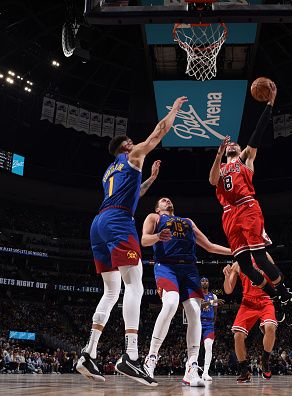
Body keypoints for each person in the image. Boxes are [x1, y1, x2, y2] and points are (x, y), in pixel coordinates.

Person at [77, 96, 187, 387]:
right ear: (126, 146)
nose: (136, 142)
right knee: (135, 284)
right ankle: (131, 356)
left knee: (111, 291)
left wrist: (149, 179)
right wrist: (175, 110)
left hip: (98, 224)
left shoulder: (109, 172)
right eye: (131, 142)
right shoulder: (134, 154)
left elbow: (132, 191)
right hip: (118, 222)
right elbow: (159, 131)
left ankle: (89, 352)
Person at [208, 82, 292, 322]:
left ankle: (286, 295)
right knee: (245, 266)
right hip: (229, 214)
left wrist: (270, 103)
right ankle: (275, 296)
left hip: (247, 207)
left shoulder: (245, 159)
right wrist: (217, 155)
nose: (233, 145)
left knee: (260, 258)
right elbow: (212, 179)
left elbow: (257, 132)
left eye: (236, 144)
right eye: (230, 146)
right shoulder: (222, 166)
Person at [141, 197, 231, 386]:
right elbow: (144, 240)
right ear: (158, 208)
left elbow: (209, 246)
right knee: (172, 302)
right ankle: (151, 358)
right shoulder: (154, 218)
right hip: (166, 266)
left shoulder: (188, 222)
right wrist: (158, 236)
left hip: (189, 270)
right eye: (162, 200)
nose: (167, 199)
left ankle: (191, 367)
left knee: (194, 312)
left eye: (169, 199)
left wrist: (236, 252)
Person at [223, 254, 279, 383]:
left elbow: (275, 273)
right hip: (248, 302)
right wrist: (227, 276)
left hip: (266, 299)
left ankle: (265, 361)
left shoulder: (263, 255)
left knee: (270, 327)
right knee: (237, 336)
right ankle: (244, 370)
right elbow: (228, 290)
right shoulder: (237, 264)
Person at [200, 276, 224, 382]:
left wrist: (213, 322)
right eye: (203, 281)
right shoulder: (197, 295)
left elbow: (215, 311)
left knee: (209, 347)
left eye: (206, 281)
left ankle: (205, 372)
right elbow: (200, 305)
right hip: (198, 323)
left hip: (209, 325)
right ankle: (190, 370)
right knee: (194, 348)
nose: (205, 282)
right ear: (200, 283)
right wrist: (211, 302)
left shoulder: (213, 295)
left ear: (208, 283)